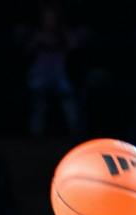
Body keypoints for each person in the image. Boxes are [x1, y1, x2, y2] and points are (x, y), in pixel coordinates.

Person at [23, 3, 82, 136]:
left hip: (60, 74)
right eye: (47, 18)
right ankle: (35, 133)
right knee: (38, 98)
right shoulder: (37, 34)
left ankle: (75, 131)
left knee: (68, 96)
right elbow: (28, 50)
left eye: (53, 18)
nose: (50, 21)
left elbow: (74, 47)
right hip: (40, 74)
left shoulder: (64, 34)